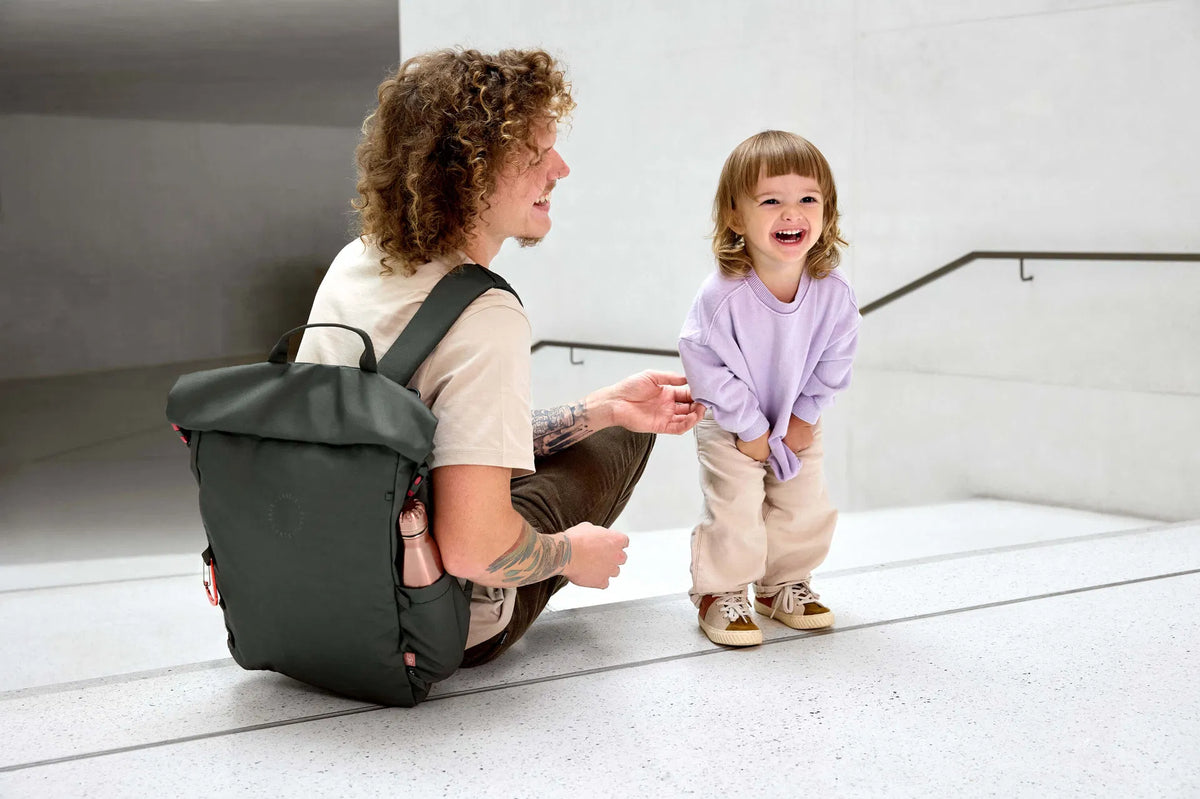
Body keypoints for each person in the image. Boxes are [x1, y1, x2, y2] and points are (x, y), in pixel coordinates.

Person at [296, 47, 704, 666]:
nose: (560, 169)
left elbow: (428, 446)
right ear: (471, 171)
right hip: (428, 626)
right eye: (538, 154)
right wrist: (572, 554)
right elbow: (474, 550)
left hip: (323, 592)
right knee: (625, 440)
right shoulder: (484, 313)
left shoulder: (357, 259)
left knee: (613, 422)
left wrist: (602, 408)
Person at [678, 130, 860, 647]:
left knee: (803, 504)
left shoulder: (834, 292)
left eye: (808, 200)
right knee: (735, 508)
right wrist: (749, 427)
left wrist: (803, 416)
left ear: (827, 211)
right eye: (771, 201)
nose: (791, 213)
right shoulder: (723, 295)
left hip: (797, 419)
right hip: (730, 423)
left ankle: (784, 583)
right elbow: (704, 361)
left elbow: (836, 359)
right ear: (735, 217)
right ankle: (720, 591)